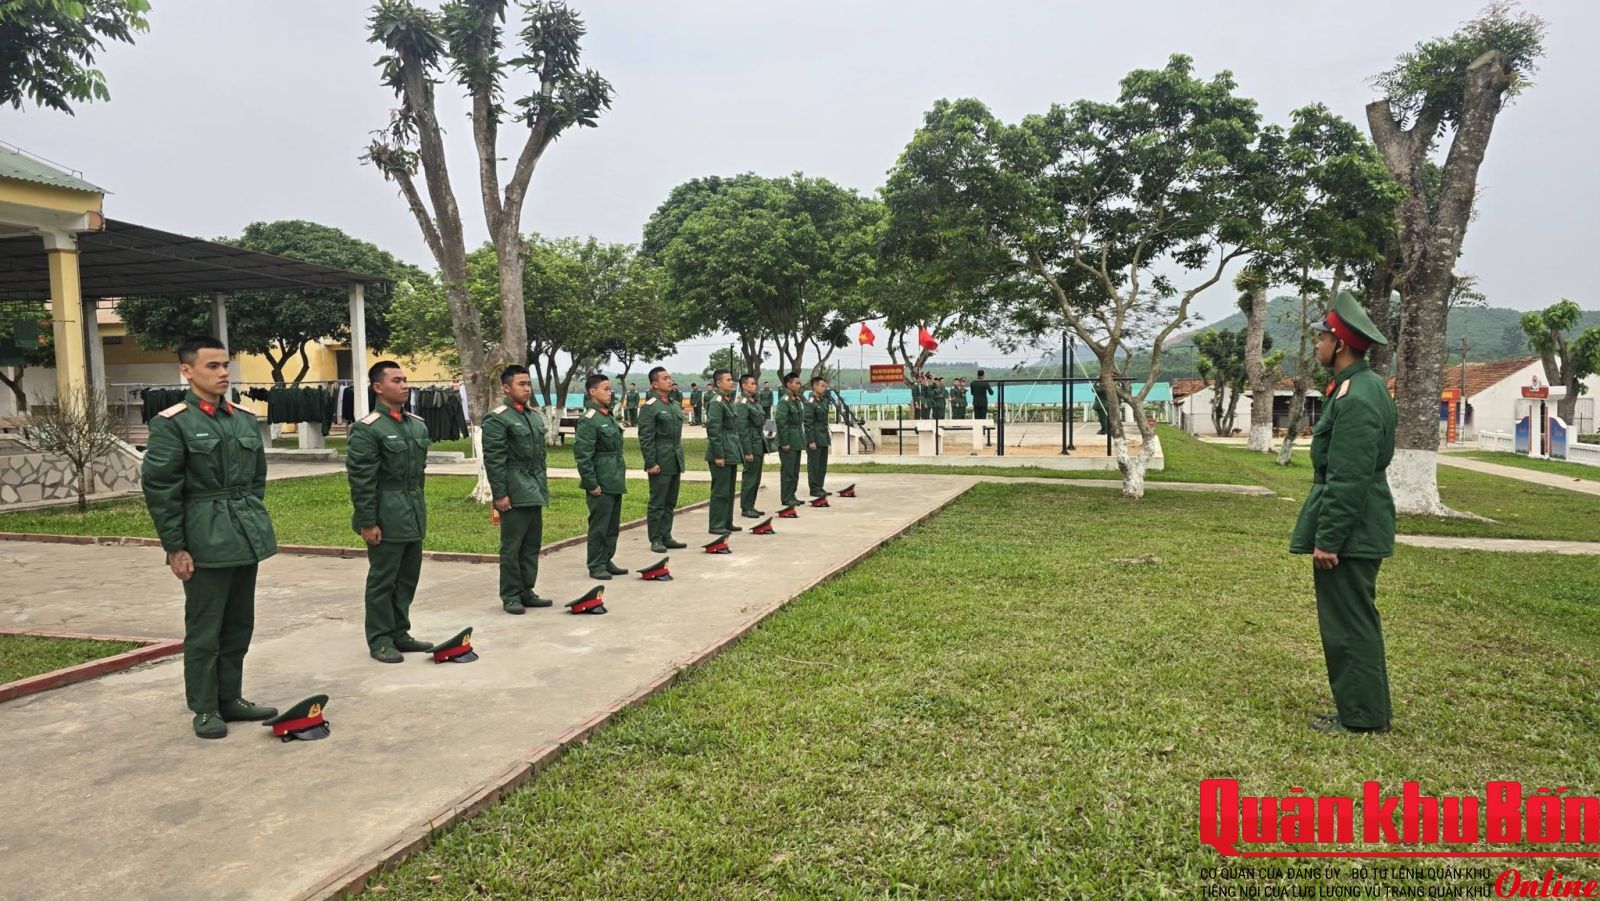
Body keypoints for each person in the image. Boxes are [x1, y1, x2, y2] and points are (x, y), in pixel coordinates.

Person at [142, 336, 278, 739]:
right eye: (212, 366)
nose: (223, 373)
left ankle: (230, 698)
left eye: (225, 365)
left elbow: (256, 479)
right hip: (204, 537)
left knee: (239, 625)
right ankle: (205, 707)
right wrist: (175, 547)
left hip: (244, 534)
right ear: (187, 371)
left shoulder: (243, 419)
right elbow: (161, 490)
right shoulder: (173, 423)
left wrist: (249, 515)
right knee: (205, 629)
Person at [1291, 291, 1397, 736]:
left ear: (1340, 344)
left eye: (1322, 337)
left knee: (1349, 624)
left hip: (1353, 531)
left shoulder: (1357, 397)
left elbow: (1349, 478)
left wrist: (1328, 539)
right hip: (1359, 525)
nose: (1317, 344)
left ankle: (1362, 717)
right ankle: (1364, 710)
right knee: (1354, 619)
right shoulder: (1359, 387)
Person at [347, 360, 433, 664]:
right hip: (386, 512)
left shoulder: (416, 424)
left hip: (412, 510)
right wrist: (368, 521)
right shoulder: (367, 429)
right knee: (383, 580)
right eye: (396, 380)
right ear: (378, 387)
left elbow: (419, 475)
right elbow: (362, 480)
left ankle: (400, 632)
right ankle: (380, 639)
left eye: (405, 379)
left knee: (407, 577)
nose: (404, 385)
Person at [482, 364, 550, 615]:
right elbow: (494, 459)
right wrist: (500, 493)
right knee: (512, 547)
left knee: (531, 544)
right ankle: (511, 595)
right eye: (521, 384)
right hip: (514, 487)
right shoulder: (498, 418)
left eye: (528, 383)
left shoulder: (532, 416)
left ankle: (526, 590)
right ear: (506, 388)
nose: (527, 388)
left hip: (534, 487)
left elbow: (540, 457)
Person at [574, 372, 629, 580]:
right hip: (601, 479)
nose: (610, 392)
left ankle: (606, 559)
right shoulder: (589, 419)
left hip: (614, 476)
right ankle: (596, 564)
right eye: (606, 389)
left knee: (612, 525)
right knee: (599, 525)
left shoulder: (607, 415)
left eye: (610, 388)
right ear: (592, 391)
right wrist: (591, 483)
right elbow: (583, 455)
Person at [637, 366, 689, 554]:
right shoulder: (650, 407)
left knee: (670, 501)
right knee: (657, 502)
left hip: (675, 458)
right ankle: (656, 538)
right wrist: (650, 462)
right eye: (665, 378)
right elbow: (646, 437)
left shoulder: (674, 404)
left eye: (670, 377)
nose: (670, 381)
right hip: (660, 458)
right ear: (655, 384)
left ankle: (666, 535)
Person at [704, 368, 744, 535]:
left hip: (731, 450)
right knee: (720, 491)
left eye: (732, 379)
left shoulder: (727, 401)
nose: (732, 382)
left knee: (729, 490)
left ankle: (727, 522)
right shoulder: (716, 402)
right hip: (721, 452)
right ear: (718, 383)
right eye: (728, 380)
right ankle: (716, 524)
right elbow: (714, 431)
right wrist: (719, 455)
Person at [737, 373, 768, 519]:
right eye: (752, 383)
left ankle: (751, 505)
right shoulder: (742, 404)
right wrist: (747, 451)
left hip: (758, 443)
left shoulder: (754, 402)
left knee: (756, 478)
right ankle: (746, 507)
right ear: (744, 386)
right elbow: (742, 430)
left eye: (755, 383)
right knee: (750, 477)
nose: (755, 386)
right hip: (751, 445)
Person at [775, 372, 806, 508]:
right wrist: (785, 442)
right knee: (788, 471)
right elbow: (781, 423)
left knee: (794, 472)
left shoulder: (796, 400)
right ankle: (786, 497)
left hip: (797, 439)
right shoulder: (784, 401)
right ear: (788, 384)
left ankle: (792, 495)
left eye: (799, 383)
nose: (799, 385)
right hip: (788, 440)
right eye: (796, 383)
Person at [806, 375, 832, 497]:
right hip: (815, 437)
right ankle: (814, 488)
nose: (824, 388)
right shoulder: (810, 402)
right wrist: (811, 440)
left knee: (822, 465)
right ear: (815, 386)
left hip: (823, 436)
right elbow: (808, 423)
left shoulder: (822, 401)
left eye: (825, 386)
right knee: (814, 465)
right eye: (822, 386)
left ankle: (820, 487)